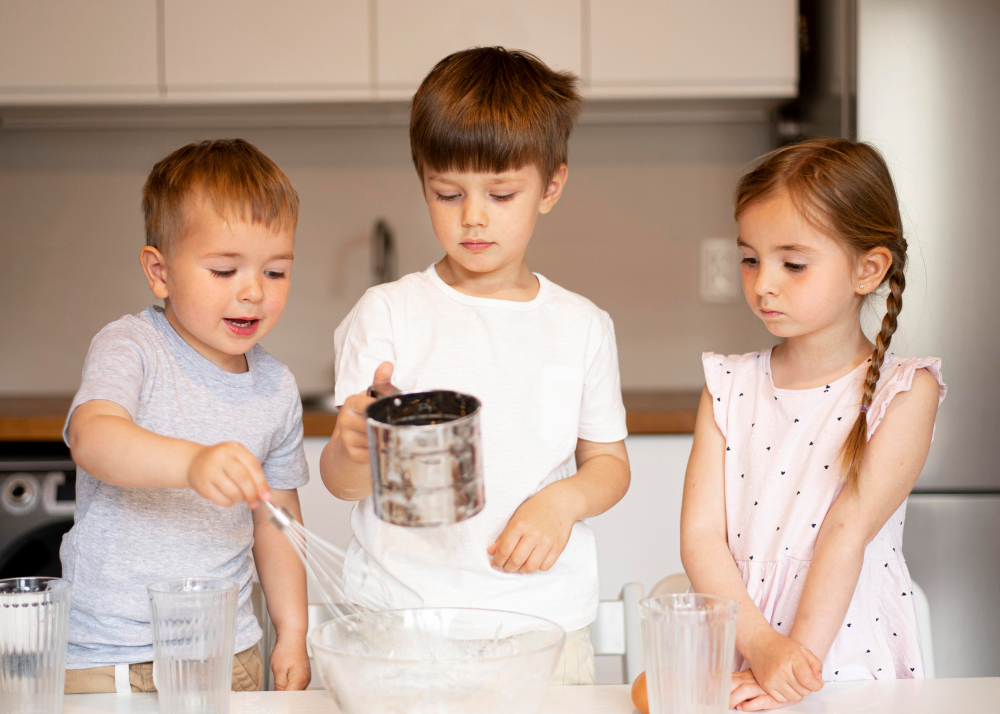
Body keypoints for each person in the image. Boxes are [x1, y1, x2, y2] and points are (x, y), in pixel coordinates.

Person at [320, 47, 631, 685]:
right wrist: (354, 447)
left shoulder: (582, 327)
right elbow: (343, 484)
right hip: (401, 623)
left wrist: (562, 502)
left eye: (501, 192)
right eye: (448, 192)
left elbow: (610, 465)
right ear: (423, 184)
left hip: (542, 627)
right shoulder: (387, 314)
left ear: (551, 186)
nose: (474, 217)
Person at [680, 138, 947, 711]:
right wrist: (761, 646)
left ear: (868, 270)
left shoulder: (906, 392)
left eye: (792, 263)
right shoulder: (727, 386)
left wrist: (794, 660)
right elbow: (701, 537)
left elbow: (847, 530)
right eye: (750, 258)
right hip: (740, 648)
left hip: (842, 658)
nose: (762, 283)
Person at [61, 139, 311, 693]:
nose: (252, 291)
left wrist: (293, 629)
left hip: (228, 655)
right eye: (225, 270)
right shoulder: (131, 347)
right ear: (160, 272)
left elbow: (280, 522)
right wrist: (193, 463)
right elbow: (92, 436)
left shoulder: (276, 388)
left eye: (275, 272)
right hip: (110, 656)